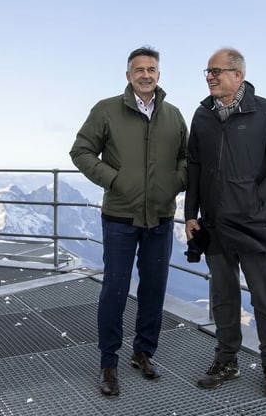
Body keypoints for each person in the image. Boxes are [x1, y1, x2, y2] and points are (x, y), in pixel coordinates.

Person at [70, 46, 188, 396]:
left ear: (159, 75)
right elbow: (81, 151)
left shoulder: (174, 115)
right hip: (120, 217)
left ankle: (143, 353)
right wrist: (114, 179)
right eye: (139, 69)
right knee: (115, 290)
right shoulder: (106, 110)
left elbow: (187, 158)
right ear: (128, 75)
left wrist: (175, 183)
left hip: (161, 218)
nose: (146, 74)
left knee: (153, 289)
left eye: (151, 69)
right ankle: (109, 363)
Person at [184, 48, 266, 398]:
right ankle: (226, 360)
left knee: (264, 299)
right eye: (208, 71)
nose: (210, 77)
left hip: (254, 224)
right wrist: (190, 214)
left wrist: (255, 198)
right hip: (214, 224)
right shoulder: (203, 116)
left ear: (238, 74)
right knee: (223, 298)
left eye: (217, 71)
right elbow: (195, 168)